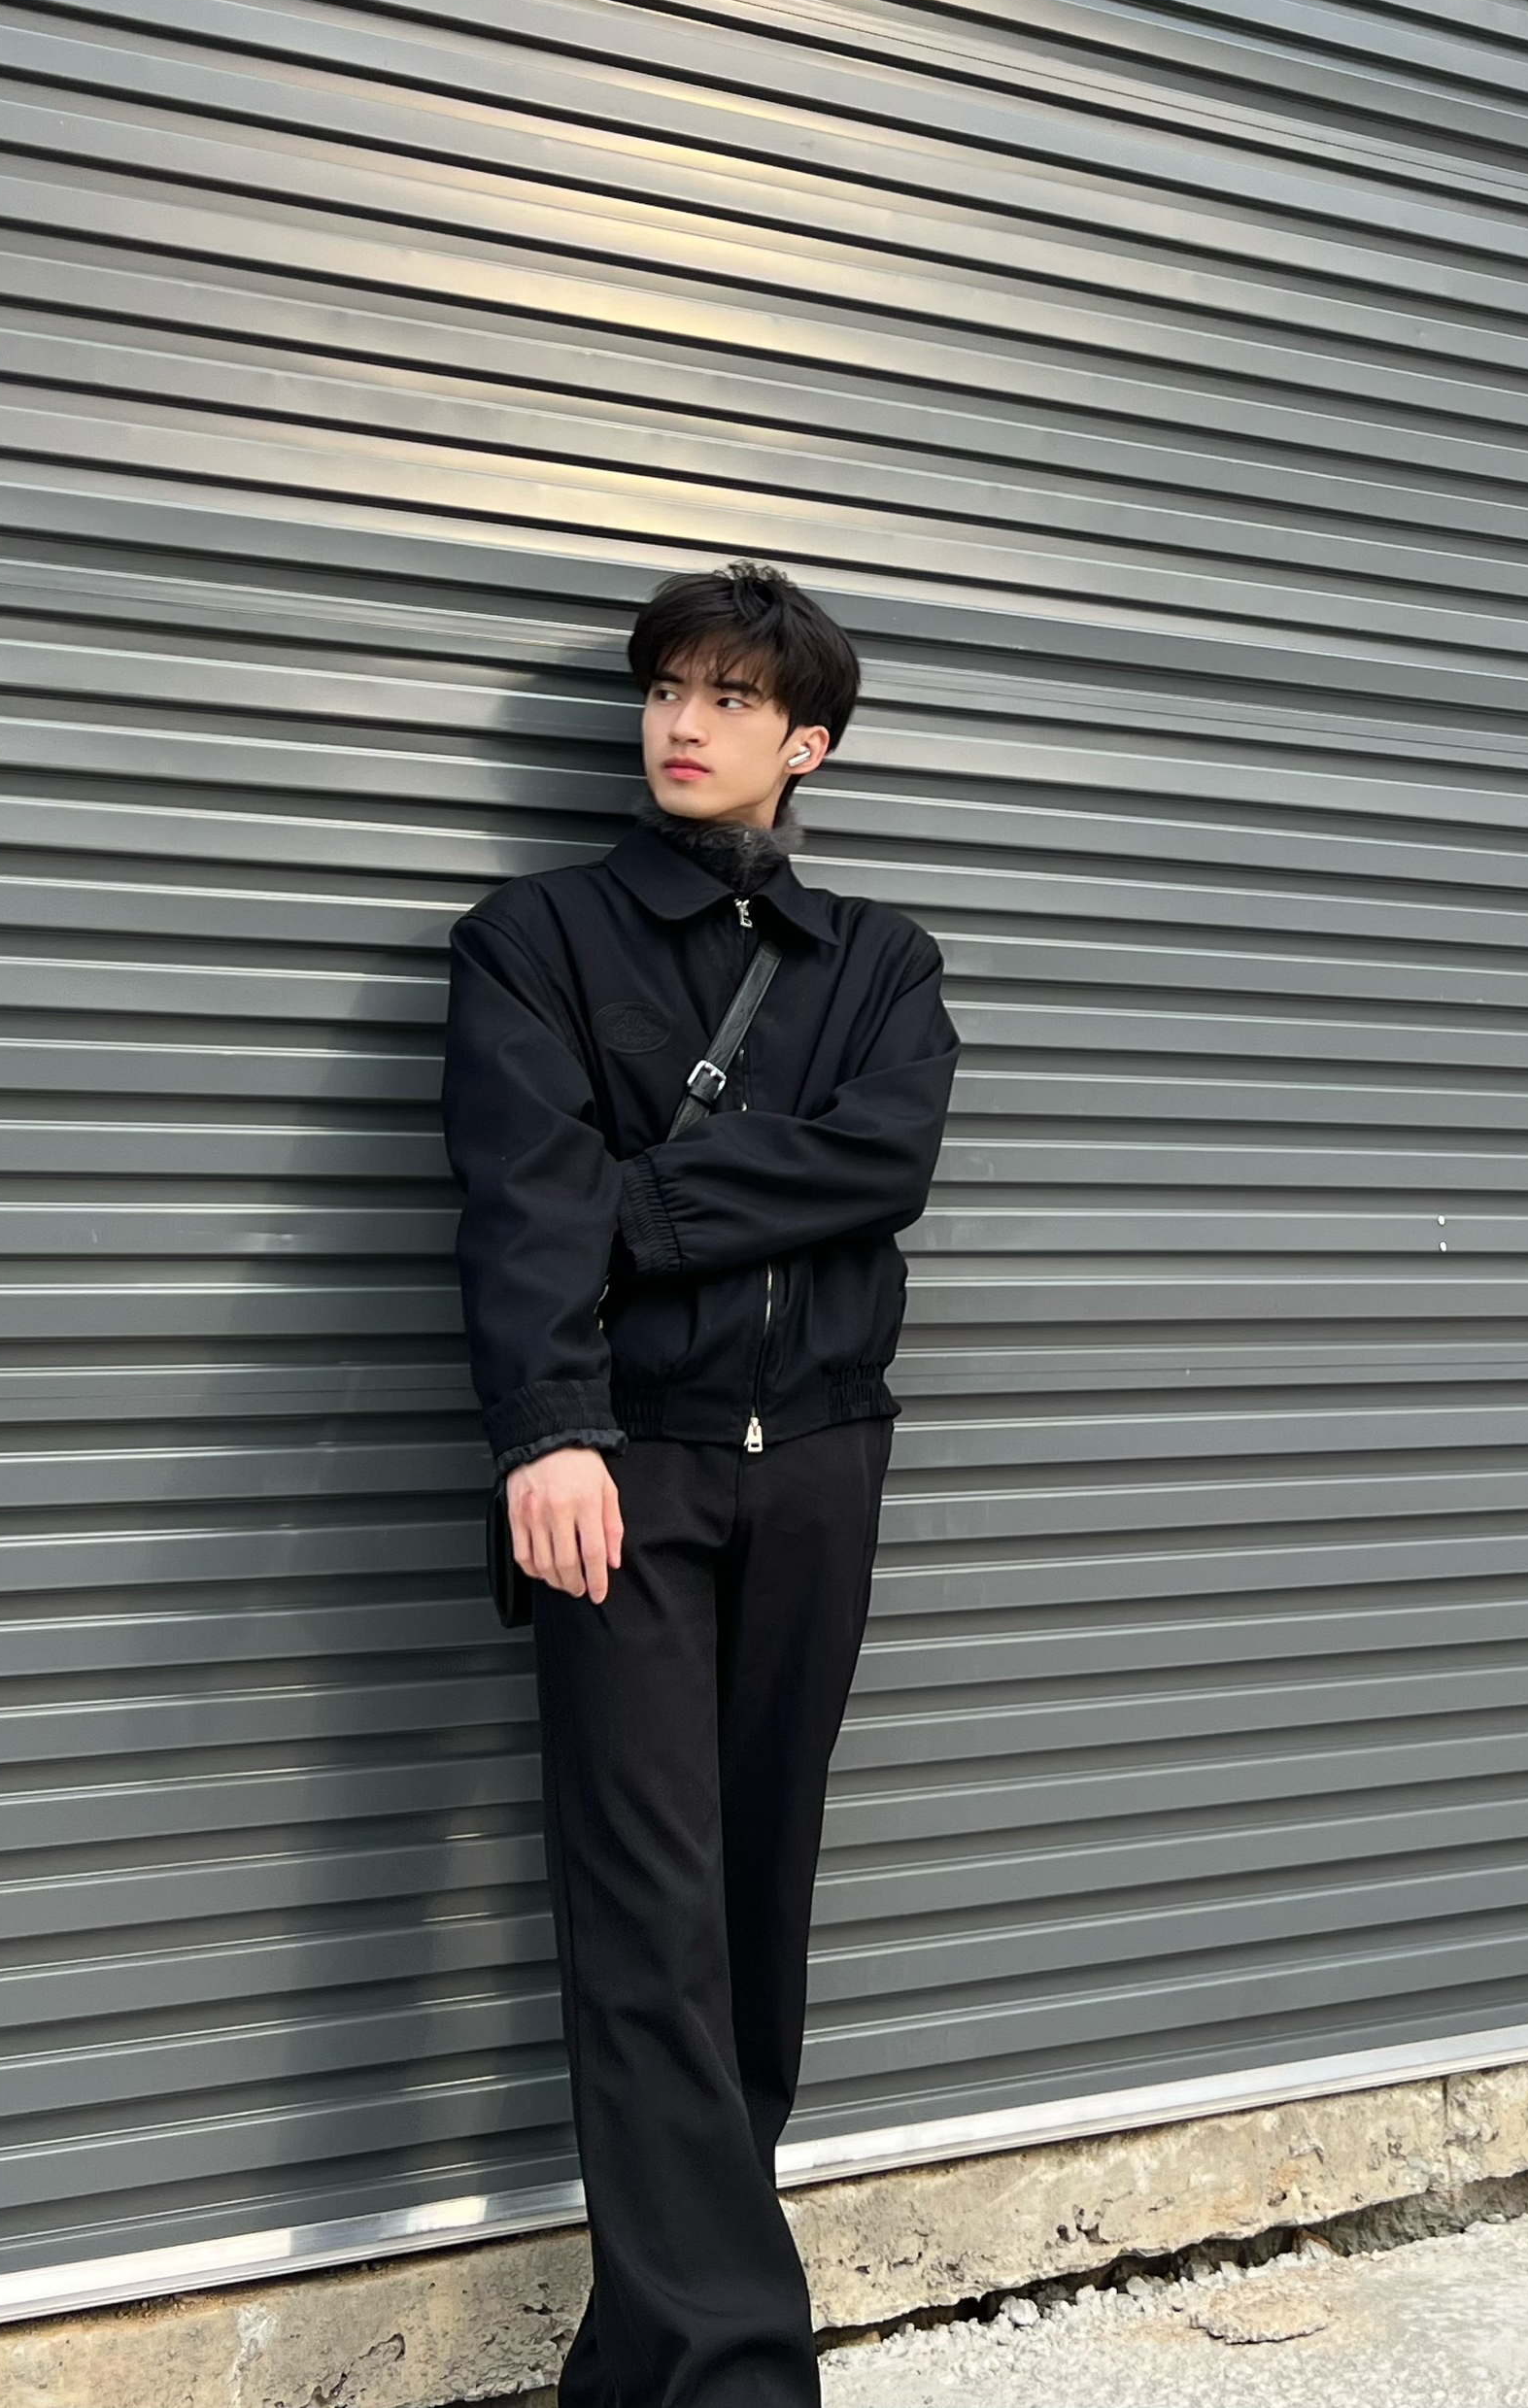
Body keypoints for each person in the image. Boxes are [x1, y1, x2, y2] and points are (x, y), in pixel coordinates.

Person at [440, 560, 959, 2408]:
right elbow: (520, 1201)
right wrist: (547, 1426)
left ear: (807, 742)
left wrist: (633, 1204)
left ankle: (643, 2361)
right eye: (667, 687)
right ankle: (733, 2373)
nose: (684, 722)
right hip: (623, 1470)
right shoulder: (532, 939)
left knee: (752, 1911)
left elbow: (881, 1161)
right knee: (647, 1915)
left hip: (818, 1465)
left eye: (733, 698)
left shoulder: (882, 961)